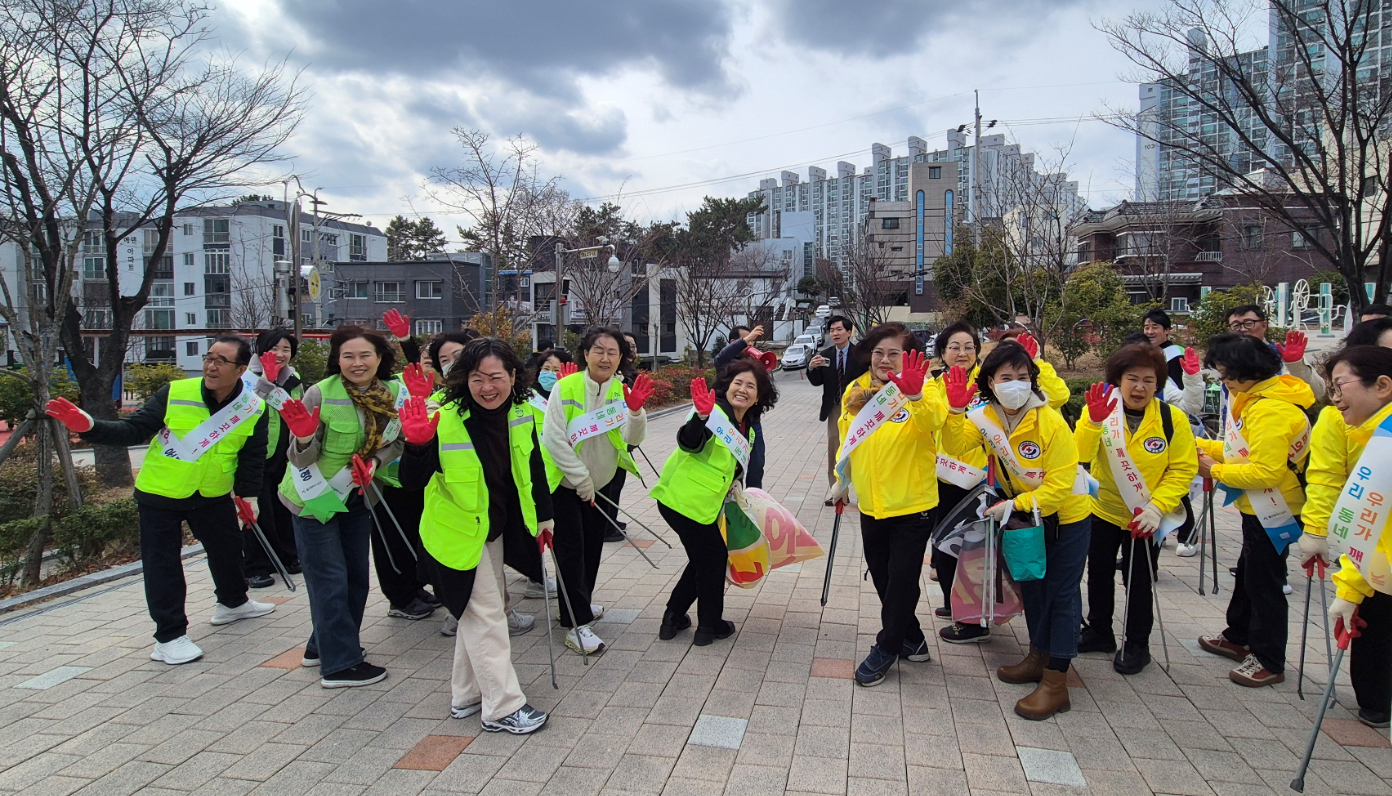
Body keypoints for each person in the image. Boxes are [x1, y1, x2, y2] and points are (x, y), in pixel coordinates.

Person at [47, 335, 274, 665]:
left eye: (221, 361)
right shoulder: (175, 392)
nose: (211, 366)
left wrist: (248, 496)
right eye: (209, 358)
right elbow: (134, 430)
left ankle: (233, 603)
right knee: (163, 565)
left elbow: (252, 457)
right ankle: (169, 637)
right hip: (161, 492)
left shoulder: (254, 408)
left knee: (228, 551)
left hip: (212, 493)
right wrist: (91, 427)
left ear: (241, 370)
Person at [398, 338, 552, 734]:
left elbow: (533, 464)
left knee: (479, 610)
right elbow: (410, 483)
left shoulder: (521, 410)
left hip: (493, 527)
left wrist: (545, 517)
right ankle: (502, 707)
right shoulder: (441, 415)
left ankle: (466, 695)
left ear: (513, 376)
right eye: (477, 378)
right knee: (487, 615)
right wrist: (416, 447)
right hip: (454, 532)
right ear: (464, 378)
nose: (487, 387)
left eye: (495, 377)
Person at [941, 340, 1091, 720]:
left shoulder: (1049, 421)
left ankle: (1057, 682)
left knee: (1061, 595)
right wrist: (955, 411)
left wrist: (1016, 504)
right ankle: (1038, 656)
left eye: (1023, 376)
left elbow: (1060, 485)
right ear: (990, 382)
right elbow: (957, 447)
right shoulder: (984, 417)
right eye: (1006, 377)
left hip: (1066, 518)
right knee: (1034, 588)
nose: (1015, 384)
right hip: (1026, 519)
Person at [277, 325, 405, 687]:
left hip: (357, 496)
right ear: (338, 359)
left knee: (355, 578)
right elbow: (298, 458)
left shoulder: (393, 392)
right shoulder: (320, 393)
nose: (357, 363)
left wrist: (375, 463)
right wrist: (304, 438)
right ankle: (340, 665)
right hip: (313, 498)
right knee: (329, 579)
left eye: (365, 355)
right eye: (348, 356)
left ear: (379, 358)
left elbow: (396, 441)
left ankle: (321, 646)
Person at [1195, 333, 1314, 687]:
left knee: (1265, 583)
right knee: (1250, 574)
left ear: (1246, 372)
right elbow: (1240, 450)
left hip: (1274, 508)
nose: (1224, 382)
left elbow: (1265, 472)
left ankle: (1268, 659)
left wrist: (1213, 470)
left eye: (1225, 374)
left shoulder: (1270, 409)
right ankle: (1238, 636)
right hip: (1259, 507)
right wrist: (1197, 444)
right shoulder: (1262, 398)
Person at [1074, 344, 1199, 674]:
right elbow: (1079, 455)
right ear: (1118, 380)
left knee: (1139, 580)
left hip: (1146, 515)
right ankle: (1100, 631)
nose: (1140, 387)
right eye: (1132, 378)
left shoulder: (1172, 419)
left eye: (1148, 380)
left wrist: (1157, 508)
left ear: (1158, 383)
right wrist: (1092, 423)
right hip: (1103, 509)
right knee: (1098, 573)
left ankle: (1137, 644)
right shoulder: (1101, 410)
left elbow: (1182, 469)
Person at [831, 323, 944, 686]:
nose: (884, 359)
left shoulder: (924, 387)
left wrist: (915, 395)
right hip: (871, 503)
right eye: (878, 352)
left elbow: (936, 419)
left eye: (894, 353)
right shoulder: (856, 390)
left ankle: (887, 646)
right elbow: (847, 440)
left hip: (913, 504)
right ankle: (913, 638)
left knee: (901, 580)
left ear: (908, 357)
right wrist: (841, 480)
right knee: (883, 576)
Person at [541, 326, 652, 655]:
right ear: (586, 354)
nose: (605, 357)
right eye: (598, 350)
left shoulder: (621, 389)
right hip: (564, 485)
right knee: (570, 552)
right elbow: (553, 439)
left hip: (603, 484)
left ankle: (581, 604)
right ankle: (575, 624)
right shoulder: (565, 387)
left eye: (612, 352)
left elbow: (632, 439)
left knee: (592, 548)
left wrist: (635, 412)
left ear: (621, 357)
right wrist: (580, 478)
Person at [651, 360, 778, 645]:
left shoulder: (748, 427)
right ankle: (708, 626)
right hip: (682, 501)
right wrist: (700, 417)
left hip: (704, 506)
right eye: (737, 383)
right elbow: (690, 441)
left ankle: (673, 618)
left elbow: (743, 466)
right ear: (726, 386)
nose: (742, 389)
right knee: (713, 560)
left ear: (759, 396)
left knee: (703, 559)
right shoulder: (713, 412)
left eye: (751, 386)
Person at [1301, 345, 1392, 727]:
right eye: (1332, 389)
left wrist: (1351, 588)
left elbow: (1382, 536)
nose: (1335, 398)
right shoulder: (1371, 434)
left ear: (1382, 386)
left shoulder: (1385, 444)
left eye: (1341, 386)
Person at [926, 320, 989, 642]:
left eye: (969, 347)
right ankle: (955, 605)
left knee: (973, 550)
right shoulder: (933, 384)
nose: (962, 353)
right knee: (944, 543)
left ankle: (973, 619)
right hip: (941, 475)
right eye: (955, 347)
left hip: (978, 479)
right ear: (943, 352)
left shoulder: (988, 382)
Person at [244, 330, 303, 588]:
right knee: (258, 512)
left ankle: (287, 556)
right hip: (255, 455)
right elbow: (246, 410)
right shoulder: (246, 378)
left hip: (285, 454)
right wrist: (266, 381)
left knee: (283, 507)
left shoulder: (293, 379)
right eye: (274, 348)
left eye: (286, 349)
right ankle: (255, 566)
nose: (280, 354)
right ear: (260, 349)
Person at [808, 316, 864, 505]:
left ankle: (864, 492)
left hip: (858, 409)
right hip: (834, 409)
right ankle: (838, 493)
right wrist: (812, 368)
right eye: (832, 330)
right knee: (835, 449)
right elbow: (817, 381)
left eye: (839, 329)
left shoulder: (860, 355)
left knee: (860, 450)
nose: (835, 333)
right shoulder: (825, 355)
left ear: (849, 332)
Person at [1225, 304, 1327, 400]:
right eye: (1236, 325)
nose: (1243, 329)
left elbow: (1317, 392)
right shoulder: (1225, 358)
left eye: (1249, 323)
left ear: (1264, 325)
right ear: (1230, 330)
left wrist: (1295, 365)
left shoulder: (1281, 355)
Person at [715, 325, 767, 488]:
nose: (750, 344)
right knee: (732, 465)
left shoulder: (755, 364)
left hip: (752, 421)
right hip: (730, 422)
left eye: (752, 341)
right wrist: (745, 342)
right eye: (747, 340)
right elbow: (720, 357)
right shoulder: (726, 364)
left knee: (757, 464)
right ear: (733, 343)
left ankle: (754, 497)